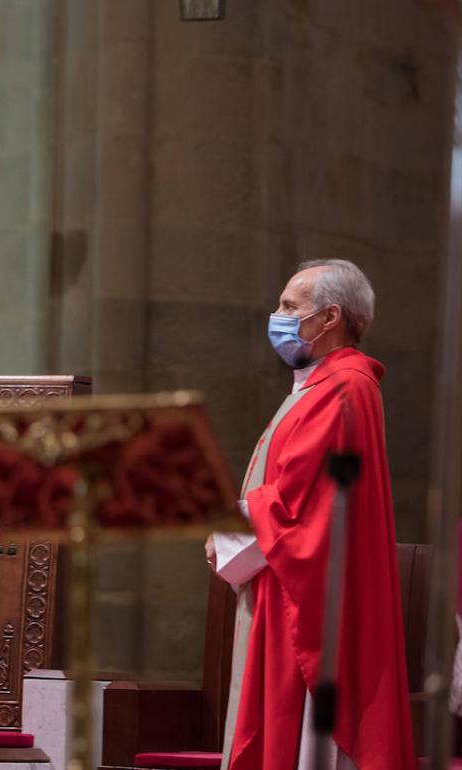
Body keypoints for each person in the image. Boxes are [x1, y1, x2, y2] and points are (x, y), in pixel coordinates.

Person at [207, 259, 414, 769]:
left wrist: (227, 530)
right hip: (280, 577)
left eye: (289, 306)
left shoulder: (345, 387)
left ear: (329, 318)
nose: (275, 316)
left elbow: (305, 500)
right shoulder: (320, 385)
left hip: (304, 591)